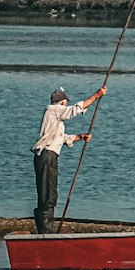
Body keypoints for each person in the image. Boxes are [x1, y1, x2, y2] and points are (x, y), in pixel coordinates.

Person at [32, 84, 107, 233]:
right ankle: (45, 233)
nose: (67, 104)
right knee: (48, 195)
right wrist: (96, 95)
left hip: (48, 156)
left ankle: (45, 231)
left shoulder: (54, 116)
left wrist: (79, 137)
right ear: (62, 102)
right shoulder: (53, 110)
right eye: (66, 101)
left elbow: (58, 137)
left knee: (49, 194)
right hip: (46, 157)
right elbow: (74, 110)